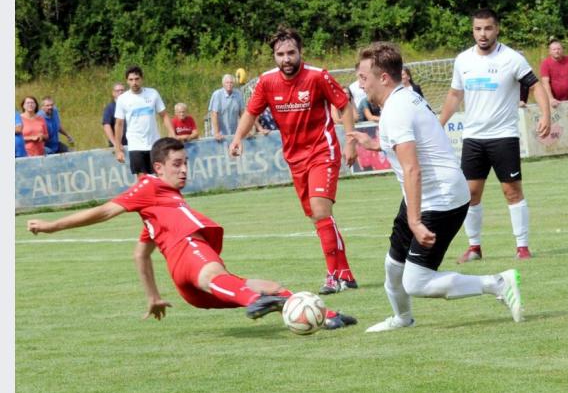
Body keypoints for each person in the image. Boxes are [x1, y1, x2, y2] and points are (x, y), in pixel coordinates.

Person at [26, 137, 356, 329]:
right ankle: (254, 300)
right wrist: (53, 225)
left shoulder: (161, 206)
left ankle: (326, 316)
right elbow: (104, 211)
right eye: (177, 164)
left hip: (191, 287)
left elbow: (141, 253)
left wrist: (153, 296)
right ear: (158, 168)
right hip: (192, 257)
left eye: (186, 163)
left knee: (274, 288)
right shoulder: (149, 186)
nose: (184, 170)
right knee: (230, 280)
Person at [349, 42, 525, 332]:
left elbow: (412, 168)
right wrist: (378, 145)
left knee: (416, 281)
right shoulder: (404, 98)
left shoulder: (396, 109)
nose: (360, 84)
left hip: (440, 201)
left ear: (383, 78)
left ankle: (497, 283)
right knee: (393, 266)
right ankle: (402, 319)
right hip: (424, 197)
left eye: (364, 78)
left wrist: (415, 221)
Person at [229, 26, 359, 295]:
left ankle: (333, 276)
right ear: (274, 56)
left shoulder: (317, 76)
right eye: (280, 54)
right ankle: (345, 272)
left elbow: (344, 104)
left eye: (291, 53)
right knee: (317, 217)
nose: (286, 59)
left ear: (301, 52)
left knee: (321, 212)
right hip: (295, 158)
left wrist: (350, 140)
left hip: (323, 151)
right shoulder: (266, 82)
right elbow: (251, 112)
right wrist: (238, 138)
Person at [439, 8, 551, 262]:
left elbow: (535, 86)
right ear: (473, 30)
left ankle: (522, 246)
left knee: (511, 191)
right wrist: (439, 123)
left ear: (497, 29)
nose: (483, 33)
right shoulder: (463, 60)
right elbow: (455, 94)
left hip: (504, 136)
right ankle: (474, 247)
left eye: (488, 28)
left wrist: (545, 115)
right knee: (470, 193)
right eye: (478, 29)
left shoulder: (512, 58)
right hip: (473, 138)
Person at [114, 65, 175, 177]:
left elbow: (164, 115)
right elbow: (119, 124)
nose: (134, 82)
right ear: (127, 81)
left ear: (141, 79)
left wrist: (172, 133)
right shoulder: (122, 99)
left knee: (159, 177)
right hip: (135, 144)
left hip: (154, 143)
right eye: (131, 80)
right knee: (143, 179)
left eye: (137, 79)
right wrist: (118, 149)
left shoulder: (153, 94)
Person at [540, 39, 568, 107]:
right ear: (550, 51)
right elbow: (545, 82)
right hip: (552, 102)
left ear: (562, 50)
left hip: (567, 100)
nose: (557, 51)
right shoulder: (545, 63)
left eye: (559, 49)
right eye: (554, 49)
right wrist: (550, 98)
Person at [209, 74, 245, 141]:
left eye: (231, 82)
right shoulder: (217, 94)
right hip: (220, 135)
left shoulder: (238, 94)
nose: (229, 84)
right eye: (227, 82)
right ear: (223, 84)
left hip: (233, 134)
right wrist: (217, 133)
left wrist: (246, 130)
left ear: (234, 84)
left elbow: (242, 114)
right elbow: (214, 114)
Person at [103, 83, 127, 147]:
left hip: (133, 144)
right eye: (118, 91)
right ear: (113, 93)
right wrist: (115, 143)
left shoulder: (131, 106)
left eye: (122, 90)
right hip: (119, 145)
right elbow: (106, 125)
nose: (120, 92)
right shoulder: (110, 108)